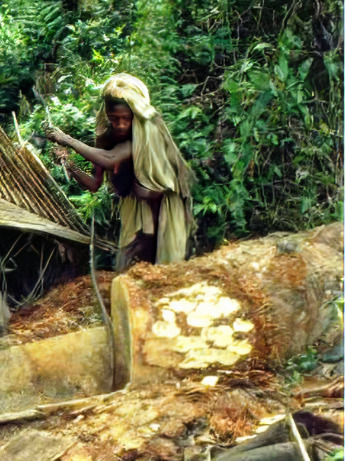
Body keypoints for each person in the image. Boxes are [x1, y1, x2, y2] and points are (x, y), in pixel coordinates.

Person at [46, 73, 194, 270]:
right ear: (106, 113)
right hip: (133, 208)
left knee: (164, 269)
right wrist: (70, 166)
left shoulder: (145, 133)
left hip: (161, 207)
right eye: (114, 119)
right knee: (132, 269)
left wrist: (68, 140)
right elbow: (94, 184)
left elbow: (110, 158)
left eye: (126, 118)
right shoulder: (105, 138)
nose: (121, 125)